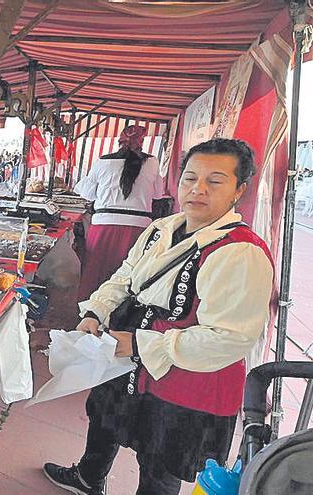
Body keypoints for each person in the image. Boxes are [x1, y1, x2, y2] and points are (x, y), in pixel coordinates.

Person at [44, 138, 274, 495]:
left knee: (160, 462)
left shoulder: (241, 253)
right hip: (126, 355)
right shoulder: (159, 230)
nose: (197, 190)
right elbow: (124, 277)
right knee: (104, 420)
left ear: (238, 190)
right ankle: (88, 479)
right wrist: (95, 311)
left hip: (183, 378)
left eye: (214, 181)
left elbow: (229, 338)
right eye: (190, 178)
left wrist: (139, 344)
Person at [73, 125, 166, 302]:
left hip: (104, 225)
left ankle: (89, 312)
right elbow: (157, 195)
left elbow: (86, 193)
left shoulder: (103, 161)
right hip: (139, 228)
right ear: (142, 142)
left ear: (119, 141)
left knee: (96, 272)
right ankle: (123, 314)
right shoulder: (152, 162)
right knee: (130, 274)